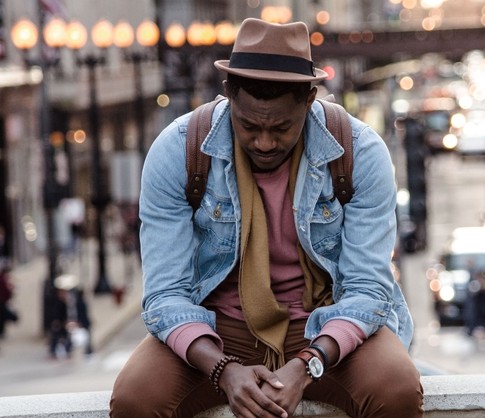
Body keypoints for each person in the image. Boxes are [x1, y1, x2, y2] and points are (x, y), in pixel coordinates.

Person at [110, 19, 422, 418]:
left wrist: (307, 364)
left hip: (325, 323)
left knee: (396, 387)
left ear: (309, 100)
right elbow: (164, 294)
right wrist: (223, 369)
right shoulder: (178, 150)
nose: (264, 142)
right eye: (249, 125)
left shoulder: (359, 151)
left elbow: (367, 290)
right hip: (215, 329)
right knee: (135, 398)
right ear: (228, 95)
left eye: (280, 128)